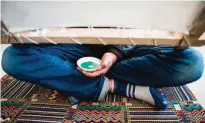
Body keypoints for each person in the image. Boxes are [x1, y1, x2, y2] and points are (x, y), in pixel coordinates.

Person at [2, 44, 204, 110]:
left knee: (192, 61)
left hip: (130, 45)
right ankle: (118, 86)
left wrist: (115, 52)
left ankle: (72, 79)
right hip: (74, 46)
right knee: (13, 56)